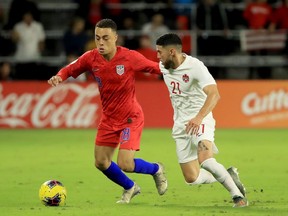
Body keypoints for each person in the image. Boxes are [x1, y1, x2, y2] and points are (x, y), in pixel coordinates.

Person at [48, 18, 168, 204]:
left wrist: (180, 70)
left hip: (130, 117)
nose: (101, 43)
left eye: (105, 38)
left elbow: (155, 68)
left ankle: (156, 169)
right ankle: (130, 187)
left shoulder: (129, 57)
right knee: (101, 162)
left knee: (125, 163)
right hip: (109, 119)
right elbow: (71, 68)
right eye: (97, 38)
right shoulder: (91, 57)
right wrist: (59, 76)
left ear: (116, 38)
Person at [155, 33, 248, 208]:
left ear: (172, 51)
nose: (158, 56)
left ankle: (237, 196)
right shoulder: (163, 66)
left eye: (160, 52)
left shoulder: (195, 66)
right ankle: (228, 175)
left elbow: (214, 94)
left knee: (205, 159)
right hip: (181, 125)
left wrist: (198, 118)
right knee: (192, 178)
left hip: (201, 119)